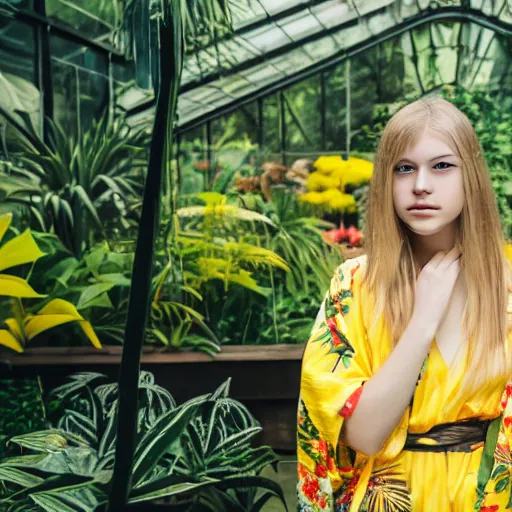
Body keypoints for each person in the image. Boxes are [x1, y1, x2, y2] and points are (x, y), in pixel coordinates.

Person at [297, 96, 512, 511]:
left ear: (473, 176)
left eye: (442, 166)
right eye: (404, 168)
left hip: (486, 498)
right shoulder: (355, 285)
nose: (420, 185)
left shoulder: (505, 288)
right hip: (389, 499)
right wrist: (423, 319)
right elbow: (363, 435)